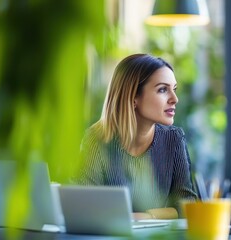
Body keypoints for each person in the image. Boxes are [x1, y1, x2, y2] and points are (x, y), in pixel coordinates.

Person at [75, 53, 197, 220]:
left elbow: (187, 205)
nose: (174, 99)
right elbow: (81, 204)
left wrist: (145, 216)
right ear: (133, 98)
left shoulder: (174, 139)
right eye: (162, 89)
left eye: (174, 89)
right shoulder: (96, 140)